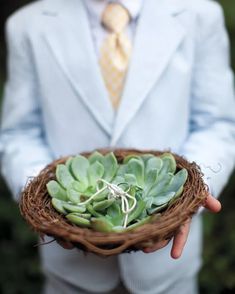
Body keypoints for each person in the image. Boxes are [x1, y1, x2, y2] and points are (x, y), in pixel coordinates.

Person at [0, 0, 234, 293]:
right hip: (71, 274)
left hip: (167, 273)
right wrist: (48, 205)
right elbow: (20, 133)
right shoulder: (27, 25)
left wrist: (190, 196)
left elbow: (217, 125)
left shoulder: (200, 14)